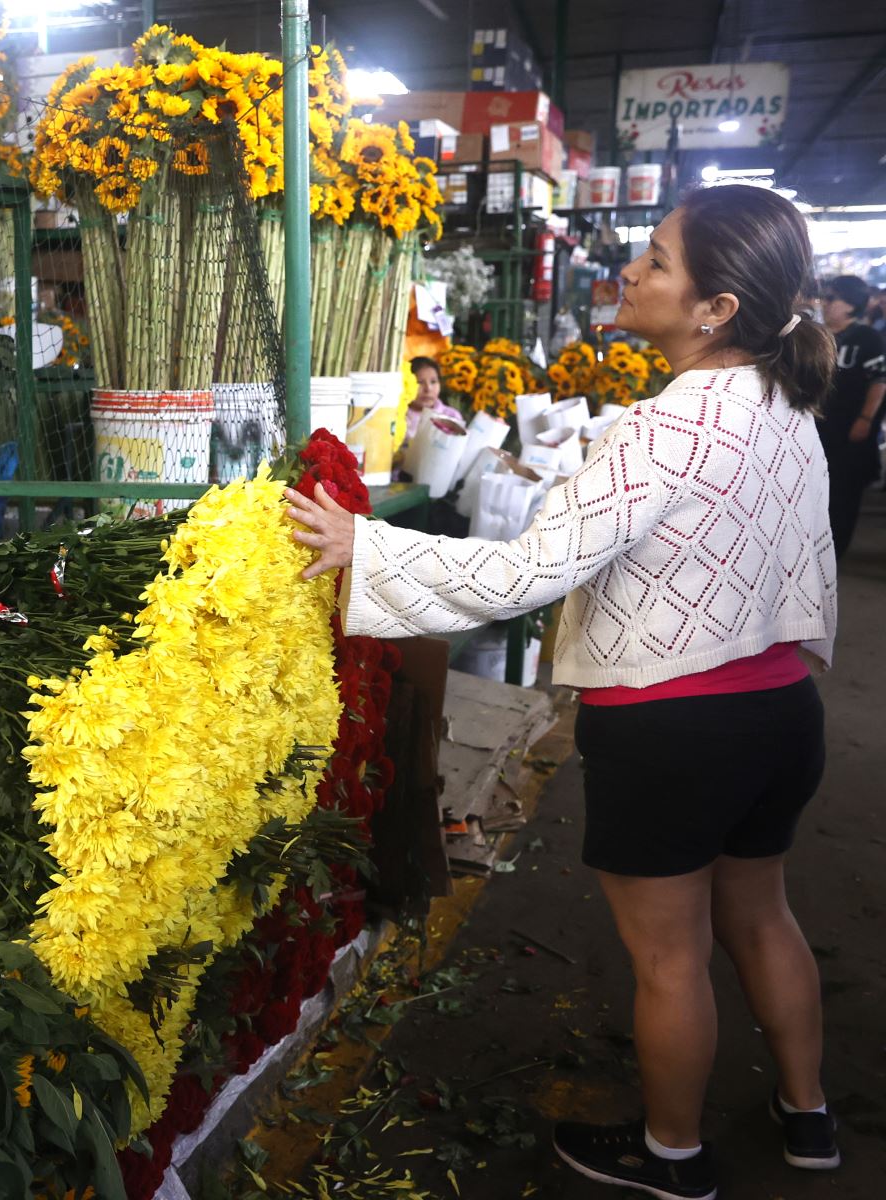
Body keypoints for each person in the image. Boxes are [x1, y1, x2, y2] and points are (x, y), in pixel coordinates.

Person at [286, 184, 839, 1200]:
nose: (632, 269)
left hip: (674, 729)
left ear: (715, 309)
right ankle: (808, 1117)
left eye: (660, 261)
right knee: (763, 916)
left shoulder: (656, 432)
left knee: (670, 958)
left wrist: (364, 547)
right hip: (779, 712)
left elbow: (523, 575)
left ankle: (673, 1157)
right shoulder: (788, 410)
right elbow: (807, 572)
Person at [817, 275, 886, 557]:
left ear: (851, 305)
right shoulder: (817, 334)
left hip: (848, 428)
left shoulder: (867, 338)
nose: (825, 303)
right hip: (819, 426)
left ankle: (836, 550)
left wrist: (865, 420)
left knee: (843, 493)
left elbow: (880, 380)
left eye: (832, 298)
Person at [405, 355, 463, 437]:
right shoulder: (398, 417)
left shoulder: (452, 416)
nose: (428, 389)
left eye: (433, 382)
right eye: (420, 382)